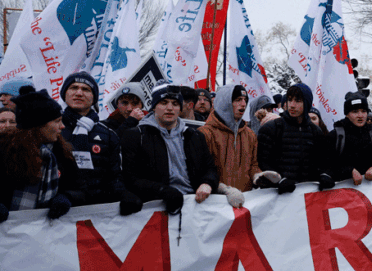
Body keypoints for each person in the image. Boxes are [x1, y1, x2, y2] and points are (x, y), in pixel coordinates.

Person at [121, 85, 219, 214]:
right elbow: (130, 179)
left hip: (195, 205)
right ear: (154, 106)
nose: (170, 108)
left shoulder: (195, 136)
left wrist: (207, 183)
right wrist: (163, 190)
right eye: (163, 102)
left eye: (175, 103)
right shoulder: (135, 135)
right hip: (155, 209)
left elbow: (210, 168)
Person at [59, 72, 142, 214]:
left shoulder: (108, 134)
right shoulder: (51, 129)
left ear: (94, 98)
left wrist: (123, 194)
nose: (79, 93)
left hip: (97, 210)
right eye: (73, 88)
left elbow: (114, 176)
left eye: (86, 89)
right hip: (60, 210)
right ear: (65, 94)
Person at [0, 89, 78, 222]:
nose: (62, 126)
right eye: (57, 121)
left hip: (44, 235)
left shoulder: (62, 152)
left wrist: (67, 197)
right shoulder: (4, 150)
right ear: (38, 125)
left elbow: (78, 187)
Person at [256, 83, 326, 191]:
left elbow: (322, 162)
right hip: (278, 197)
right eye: (289, 100)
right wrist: (279, 180)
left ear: (307, 103)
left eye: (298, 101)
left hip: (307, 198)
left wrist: (324, 175)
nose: (292, 105)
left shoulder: (316, 132)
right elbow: (261, 162)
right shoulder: (271, 128)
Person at [197, 85, 257, 207]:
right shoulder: (205, 133)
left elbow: (253, 165)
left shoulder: (250, 135)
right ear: (225, 102)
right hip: (213, 204)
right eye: (238, 100)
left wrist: (259, 176)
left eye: (245, 100)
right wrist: (224, 189)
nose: (243, 104)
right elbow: (201, 172)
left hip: (244, 204)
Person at [326, 92, 372, 185]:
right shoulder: (336, 136)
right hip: (341, 194)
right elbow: (325, 164)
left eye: (363, 111)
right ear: (347, 114)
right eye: (355, 112)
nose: (360, 115)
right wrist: (349, 171)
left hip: (371, 194)